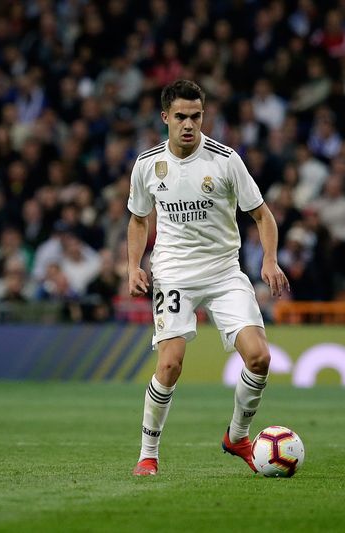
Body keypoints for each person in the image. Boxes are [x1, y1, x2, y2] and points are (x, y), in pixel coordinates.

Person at [127, 80, 289, 476]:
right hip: (174, 273)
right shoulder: (148, 164)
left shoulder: (225, 159)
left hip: (223, 271)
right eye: (180, 116)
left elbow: (262, 214)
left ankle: (237, 436)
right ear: (165, 117)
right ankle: (148, 454)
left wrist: (269, 259)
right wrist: (133, 265)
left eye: (196, 116)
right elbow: (137, 217)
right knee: (170, 365)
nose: (188, 124)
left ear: (204, 116)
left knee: (260, 356)